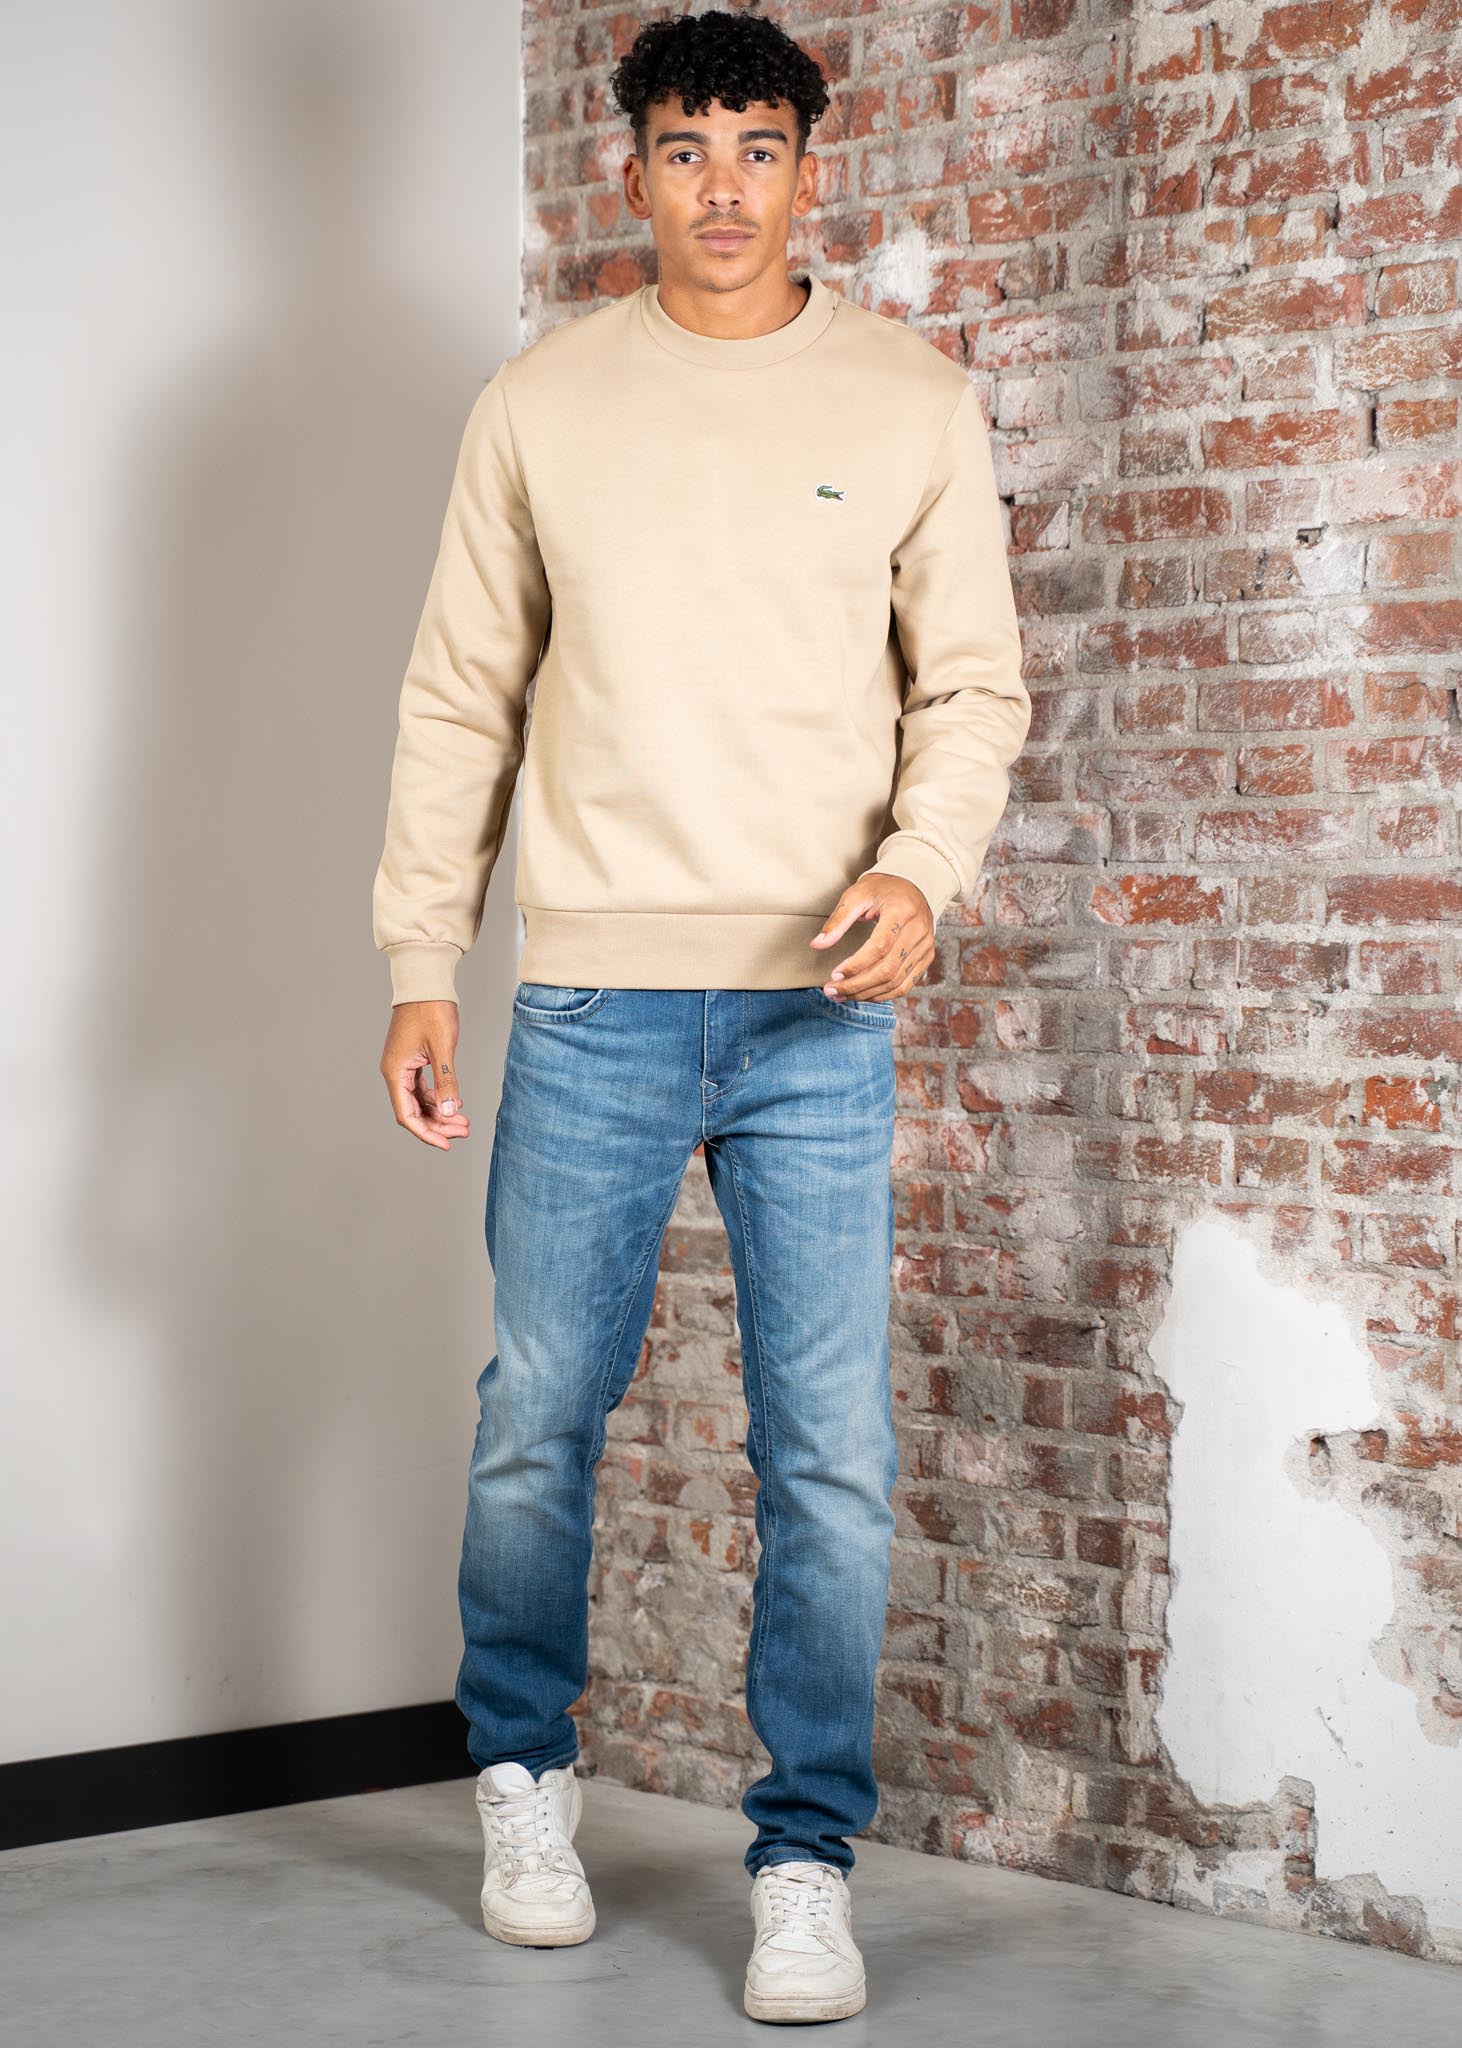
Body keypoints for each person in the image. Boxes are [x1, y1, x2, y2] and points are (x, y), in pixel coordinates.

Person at [371, 5, 1028, 2026]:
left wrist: (920, 870)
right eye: (684, 148)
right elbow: (460, 697)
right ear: (629, 172)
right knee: (534, 1422)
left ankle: (804, 1861)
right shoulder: (541, 404)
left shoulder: (910, 398)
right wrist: (420, 959)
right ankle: (522, 1778)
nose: (722, 187)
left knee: (828, 1456)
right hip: (592, 994)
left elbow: (970, 687)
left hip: (819, 1008)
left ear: (809, 173)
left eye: (757, 148)